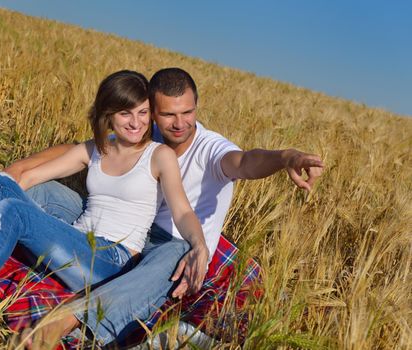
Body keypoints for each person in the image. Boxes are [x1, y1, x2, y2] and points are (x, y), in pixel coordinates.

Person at [16, 67, 325, 348]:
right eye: (167, 115)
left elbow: (245, 162)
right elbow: (84, 150)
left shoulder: (210, 148)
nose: (179, 124)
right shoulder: (141, 133)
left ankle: (73, 318)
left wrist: (286, 158)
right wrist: (16, 175)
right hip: (122, 228)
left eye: (187, 112)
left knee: (177, 254)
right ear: (152, 111)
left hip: (170, 247)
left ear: (196, 107)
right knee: (41, 192)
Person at [0, 70, 209, 328]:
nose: (137, 123)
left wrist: (200, 246)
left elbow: (182, 212)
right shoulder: (97, 148)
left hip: (109, 260)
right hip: (76, 240)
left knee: (14, 211)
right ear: (108, 115)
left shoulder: (159, 156)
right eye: (126, 113)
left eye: (143, 113)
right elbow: (27, 177)